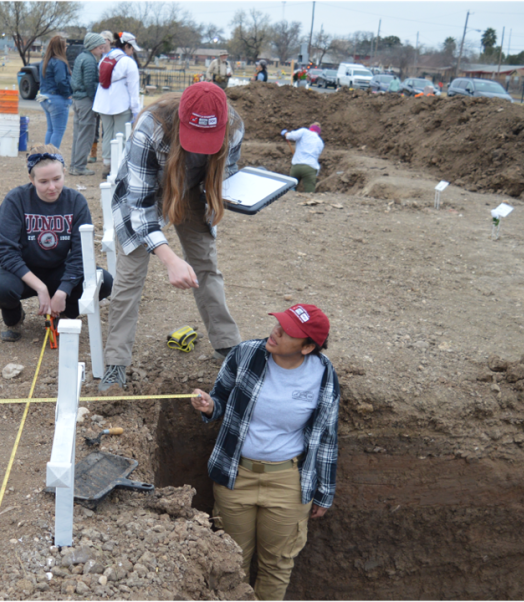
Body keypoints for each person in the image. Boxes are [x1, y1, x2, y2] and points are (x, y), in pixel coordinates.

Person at [99, 83, 244, 391]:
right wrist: (169, 259)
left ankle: (227, 344)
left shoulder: (233, 126)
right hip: (144, 192)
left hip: (193, 190)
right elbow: (138, 207)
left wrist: (242, 195)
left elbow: (229, 171)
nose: (201, 148)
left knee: (206, 266)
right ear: (182, 119)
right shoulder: (151, 127)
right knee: (129, 278)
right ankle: (116, 363)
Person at [190, 304, 339, 602]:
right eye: (278, 323)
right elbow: (220, 397)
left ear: (308, 347)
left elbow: (326, 436)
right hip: (235, 475)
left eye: (288, 332)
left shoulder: (323, 376)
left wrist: (325, 492)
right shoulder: (246, 354)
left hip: (288, 483)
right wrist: (210, 407)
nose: (276, 332)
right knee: (232, 563)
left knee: (276, 566)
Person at [0, 145, 114, 341]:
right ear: (31, 179)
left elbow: (81, 252)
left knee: (104, 281)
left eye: (57, 179)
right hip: (22, 271)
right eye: (43, 181)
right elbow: (5, 251)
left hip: (58, 269)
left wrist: (64, 290)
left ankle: (63, 314)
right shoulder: (15, 200)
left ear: (64, 173)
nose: (52, 187)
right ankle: (14, 317)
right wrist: (40, 288)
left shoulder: (76, 201)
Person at [93, 31, 141, 178]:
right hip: (121, 104)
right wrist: (136, 111)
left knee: (107, 134)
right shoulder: (129, 62)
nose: (132, 51)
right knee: (120, 136)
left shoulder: (105, 59)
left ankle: (106, 165)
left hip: (103, 103)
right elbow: (133, 90)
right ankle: (117, 167)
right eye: (132, 48)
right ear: (126, 45)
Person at [69, 33, 108, 176]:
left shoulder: (80, 57)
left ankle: (74, 165)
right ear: (93, 47)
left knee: (78, 134)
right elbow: (90, 84)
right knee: (86, 134)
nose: (102, 50)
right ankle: (79, 167)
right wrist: (95, 101)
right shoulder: (90, 61)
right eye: (100, 47)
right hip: (86, 100)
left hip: (77, 100)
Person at [39, 36, 73, 148]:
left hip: (45, 97)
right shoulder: (59, 62)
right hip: (57, 98)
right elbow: (61, 80)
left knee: (51, 129)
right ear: (61, 48)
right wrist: (68, 94)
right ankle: (52, 157)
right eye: (65, 46)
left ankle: (46, 156)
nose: (66, 48)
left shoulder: (44, 61)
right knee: (58, 131)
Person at [281, 123, 324, 193]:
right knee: (310, 193)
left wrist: (285, 133)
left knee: (290, 191)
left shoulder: (304, 131)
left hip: (296, 166)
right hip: (310, 168)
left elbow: (290, 136)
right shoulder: (320, 142)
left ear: (310, 128)